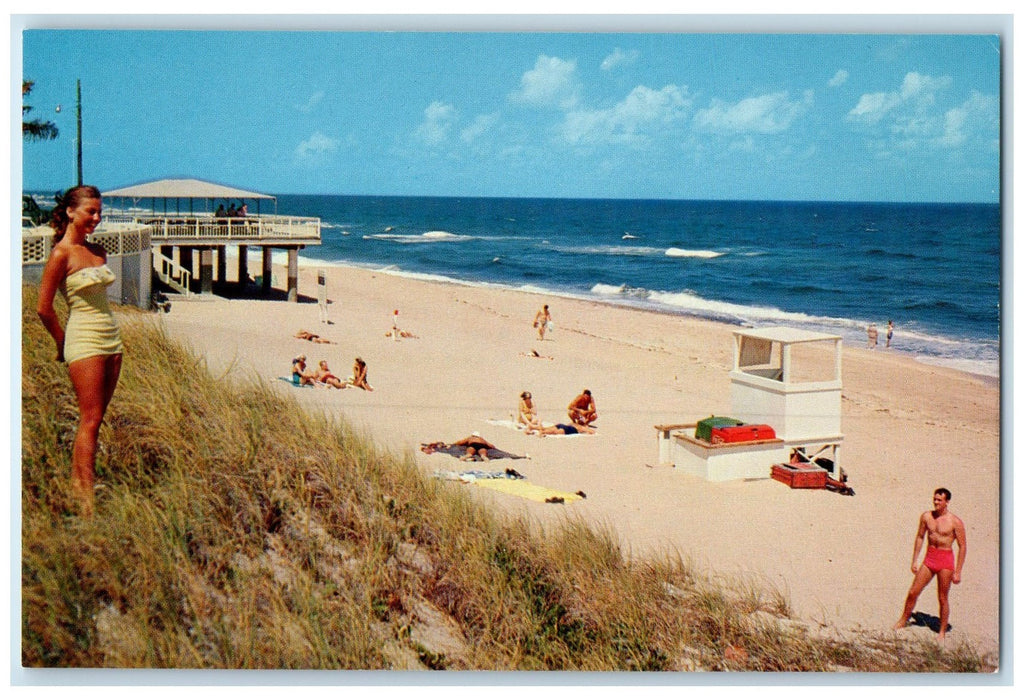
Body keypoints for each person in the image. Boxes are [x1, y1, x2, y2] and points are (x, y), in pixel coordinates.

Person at [36, 185, 123, 517]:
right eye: (91, 212)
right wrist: (62, 343)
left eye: (100, 213)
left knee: (97, 420)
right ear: (71, 211)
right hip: (83, 339)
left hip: (112, 339)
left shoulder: (99, 250)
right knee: (89, 420)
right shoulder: (61, 254)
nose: (97, 218)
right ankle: (84, 503)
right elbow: (43, 308)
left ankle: (81, 487)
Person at [893, 488, 967, 642]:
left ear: (947, 502)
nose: (936, 502)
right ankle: (903, 620)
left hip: (945, 560)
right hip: (930, 558)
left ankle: (942, 631)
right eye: (935, 499)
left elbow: (962, 546)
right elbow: (920, 537)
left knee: (942, 597)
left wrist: (958, 571)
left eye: (939, 500)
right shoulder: (927, 517)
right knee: (914, 591)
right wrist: (915, 560)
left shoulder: (955, 522)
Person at [528, 422, 596, 436]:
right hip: (568, 430)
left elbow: (569, 423)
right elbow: (592, 432)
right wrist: (588, 431)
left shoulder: (574, 423)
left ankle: (533, 428)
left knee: (546, 428)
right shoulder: (582, 428)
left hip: (562, 425)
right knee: (554, 432)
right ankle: (541, 432)